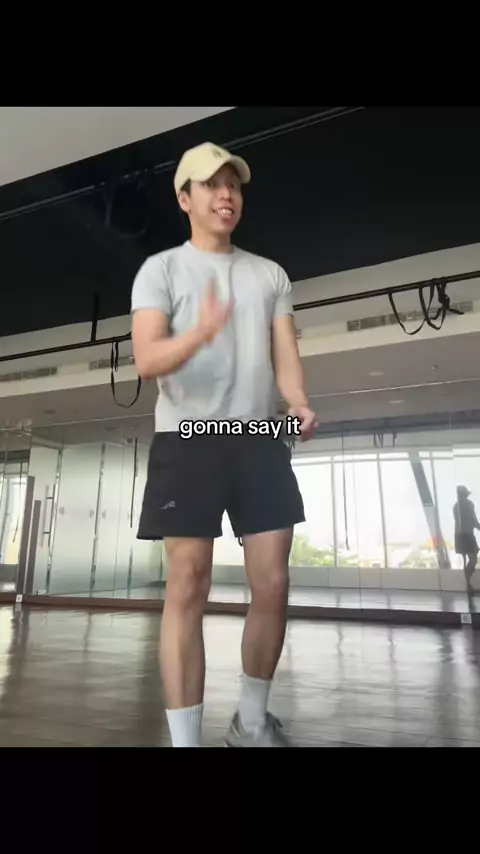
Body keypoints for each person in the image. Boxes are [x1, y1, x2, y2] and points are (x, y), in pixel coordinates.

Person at [130, 141, 317, 747]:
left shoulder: (269, 274)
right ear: (184, 199)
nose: (225, 194)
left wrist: (297, 400)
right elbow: (146, 359)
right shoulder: (160, 270)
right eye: (211, 184)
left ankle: (251, 723)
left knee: (274, 583)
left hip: (259, 433)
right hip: (187, 436)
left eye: (232, 184)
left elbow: (285, 351)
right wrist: (201, 333)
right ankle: (186, 742)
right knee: (188, 582)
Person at [453, 485, 480, 593]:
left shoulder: (456, 506)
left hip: (458, 536)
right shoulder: (469, 504)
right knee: (473, 559)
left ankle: (468, 584)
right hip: (468, 535)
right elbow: (473, 520)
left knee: (466, 560)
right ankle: (468, 584)